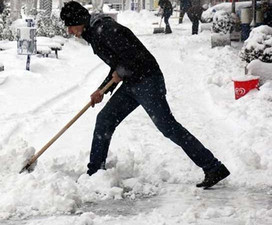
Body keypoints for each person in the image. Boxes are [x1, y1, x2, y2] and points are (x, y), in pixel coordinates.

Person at [60, 1, 230, 188]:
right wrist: (102, 90)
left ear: (79, 20)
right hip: (132, 82)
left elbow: (133, 57)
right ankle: (95, 173)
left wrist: (121, 72)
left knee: (168, 126)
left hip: (148, 80)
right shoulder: (94, 32)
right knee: (105, 119)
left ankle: (213, 167)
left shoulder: (106, 29)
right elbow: (118, 64)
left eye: (70, 25)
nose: (69, 31)